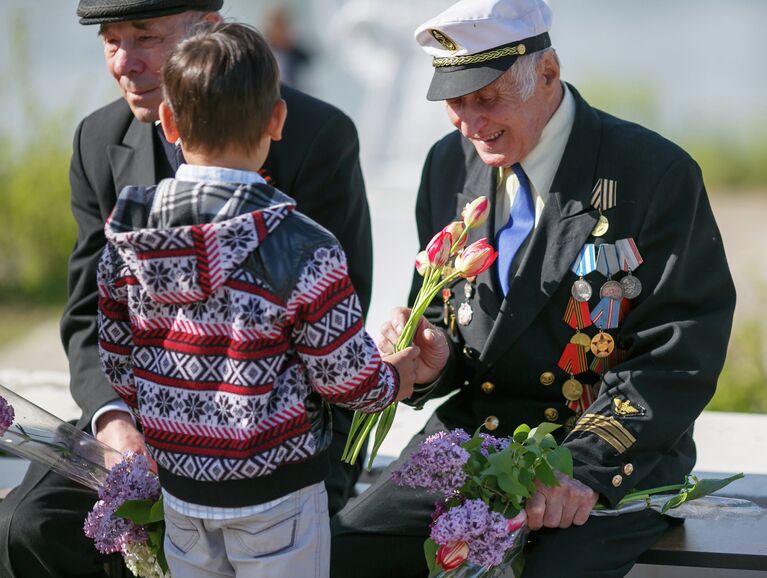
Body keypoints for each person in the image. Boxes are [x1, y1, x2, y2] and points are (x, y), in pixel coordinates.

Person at [330, 0, 736, 576]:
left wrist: (584, 466)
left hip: (606, 452)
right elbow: (454, 323)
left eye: (487, 98)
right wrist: (434, 359)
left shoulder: (654, 173)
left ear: (548, 74)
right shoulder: (447, 164)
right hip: (473, 439)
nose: (471, 124)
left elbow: (680, 349)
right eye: (454, 103)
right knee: (340, 553)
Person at [0, 1, 374, 576]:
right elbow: (86, 317)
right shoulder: (98, 138)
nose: (125, 62)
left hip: (274, 435)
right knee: (30, 525)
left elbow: (335, 325)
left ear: (211, 30)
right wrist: (113, 419)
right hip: (136, 422)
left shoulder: (316, 133)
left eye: (145, 36)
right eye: (110, 41)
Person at [96, 22, 417, 577]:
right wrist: (396, 377)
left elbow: (119, 363)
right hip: (278, 494)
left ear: (169, 123)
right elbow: (343, 377)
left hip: (179, 487)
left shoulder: (127, 240)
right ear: (277, 119)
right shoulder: (303, 247)